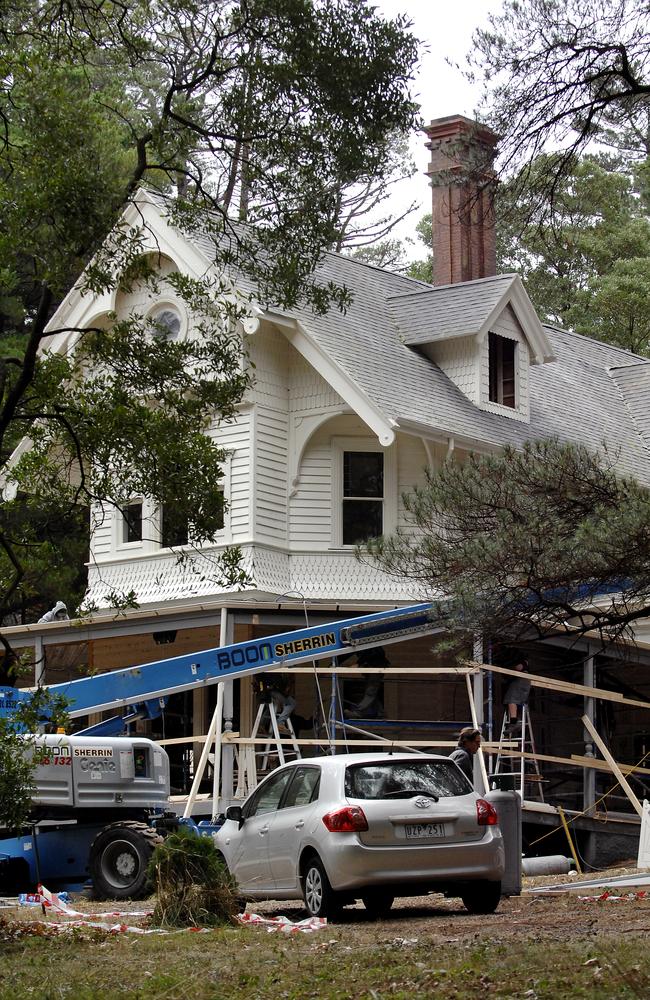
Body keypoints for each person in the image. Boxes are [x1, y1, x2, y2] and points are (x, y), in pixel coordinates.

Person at [502, 659, 531, 733]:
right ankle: (516, 722)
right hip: (518, 680)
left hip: (521, 679)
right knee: (510, 701)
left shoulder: (517, 657)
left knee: (512, 700)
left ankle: (514, 723)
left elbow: (521, 666)